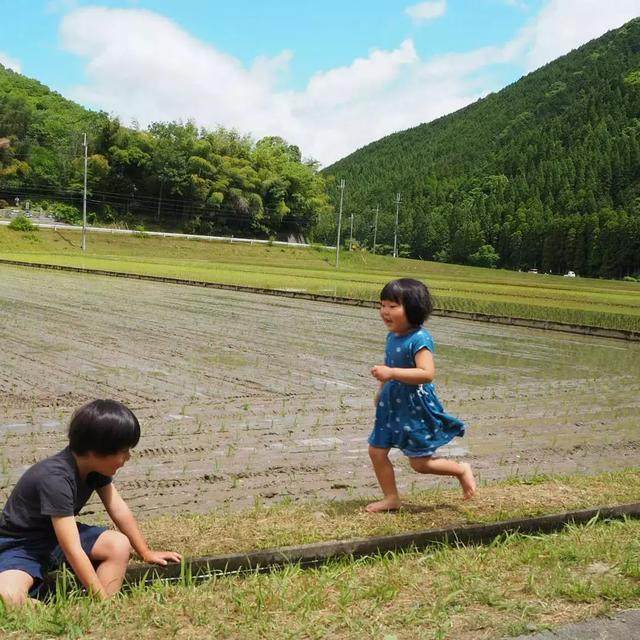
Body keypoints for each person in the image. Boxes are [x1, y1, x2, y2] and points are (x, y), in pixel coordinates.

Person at [0, 400, 181, 606]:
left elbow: (117, 508)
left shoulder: (93, 468)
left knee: (119, 544)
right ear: (96, 452)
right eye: (124, 451)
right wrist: (100, 597)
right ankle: (86, 604)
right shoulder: (55, 479)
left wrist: (145, 552)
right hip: (22, 547)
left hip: (56, 539)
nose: (128, 457)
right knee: (8, 596)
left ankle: (100, 608)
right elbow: (72, 549)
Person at [367, 278, 476, 512]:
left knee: (420, 463)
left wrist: (392, 373)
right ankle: (391, 498)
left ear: (413, 309)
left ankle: (461, 470)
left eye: (392, 306)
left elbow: (427, 373)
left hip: (413, 408)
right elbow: (389, 370)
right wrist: (380, 391)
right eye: (382, 305)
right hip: (390, 405)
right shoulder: (392, 336)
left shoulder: (420, 339)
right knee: (376, 450)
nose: (384, 311)